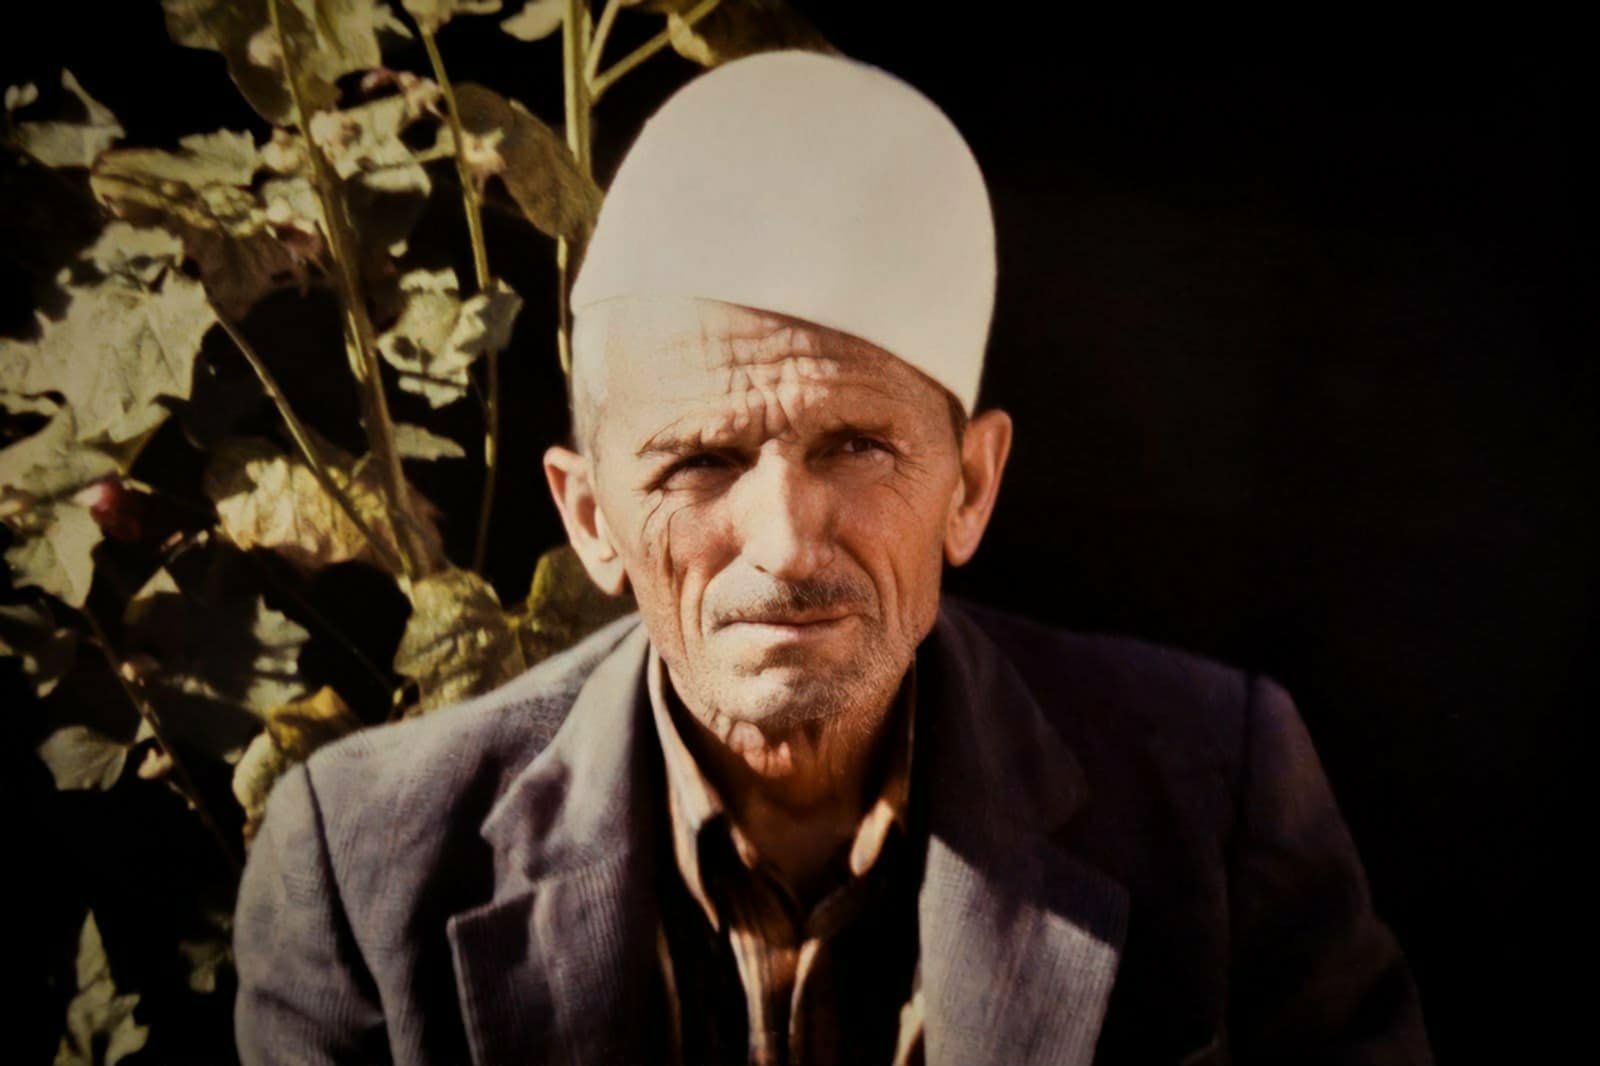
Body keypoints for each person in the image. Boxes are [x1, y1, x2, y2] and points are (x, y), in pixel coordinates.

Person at [234, 50, 1432, 1066]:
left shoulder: (1210, 801)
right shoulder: (364, 870)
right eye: (701, 461)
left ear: (969, 487)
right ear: (591, 516)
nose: (788, 543)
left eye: (856, 448)